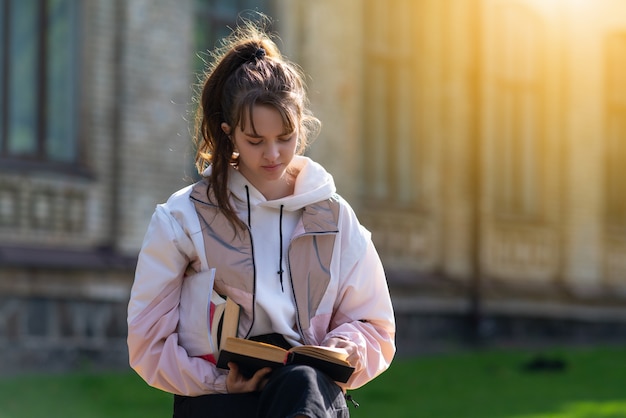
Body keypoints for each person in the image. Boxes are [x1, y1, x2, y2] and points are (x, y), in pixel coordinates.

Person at [127, 15, 395, 418]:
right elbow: (148, 343)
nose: (272, 155)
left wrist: (344, 350)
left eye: (284, 139)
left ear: (300, 128)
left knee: (302, 383)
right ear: (228, 133)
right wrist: (220, 382)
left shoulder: (336, 218)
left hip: (307, 390)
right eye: (255, 141)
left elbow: (375, 326)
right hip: (220, 396)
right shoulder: (182, 218)